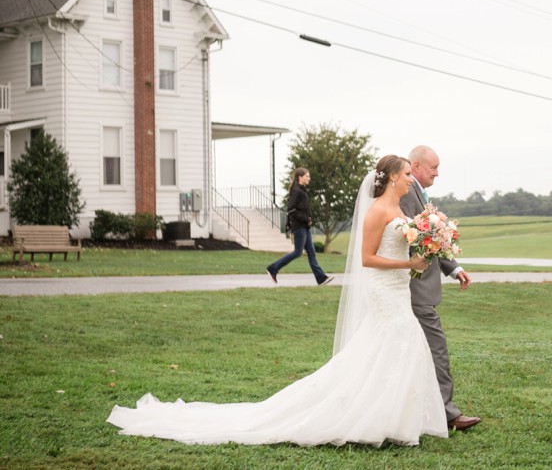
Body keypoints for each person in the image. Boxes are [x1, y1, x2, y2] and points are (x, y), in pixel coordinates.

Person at [107, 156, 446, 447]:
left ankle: (394, 420)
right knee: (388, 343)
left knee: (394, 346)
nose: (409, 179)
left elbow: (401, 243)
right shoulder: (376, 211)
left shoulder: (399, 207)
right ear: (391, 177)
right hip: (384, 288)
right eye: (405, 174)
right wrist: (408, 264)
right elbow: (367, 258)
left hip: (399, 287)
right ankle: (367, 415)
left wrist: (425, 247)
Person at [399, 145, 481, 432]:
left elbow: (429, 237)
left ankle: (416, 411)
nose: (437, 172)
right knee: (437, 350)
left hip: (416, 288)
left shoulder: (417, 193)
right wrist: (436, 236)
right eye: (433, 167)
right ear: (417, 165)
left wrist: (454, 268)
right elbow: (414, 239)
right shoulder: (408, 193)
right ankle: (447, 415)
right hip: (416, 288)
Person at [266, 167, 331, 286]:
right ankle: (273, 268)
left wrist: (307, 219)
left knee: (311, 252)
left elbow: (301, 209)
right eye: (307, 176)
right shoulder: (297, 191)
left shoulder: (301, 190)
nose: (309, 178)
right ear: (300, 177)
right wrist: (305, 219)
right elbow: (291, 209)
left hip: (304, 226)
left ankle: (321, 278)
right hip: (299, 226)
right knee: (297, 252)